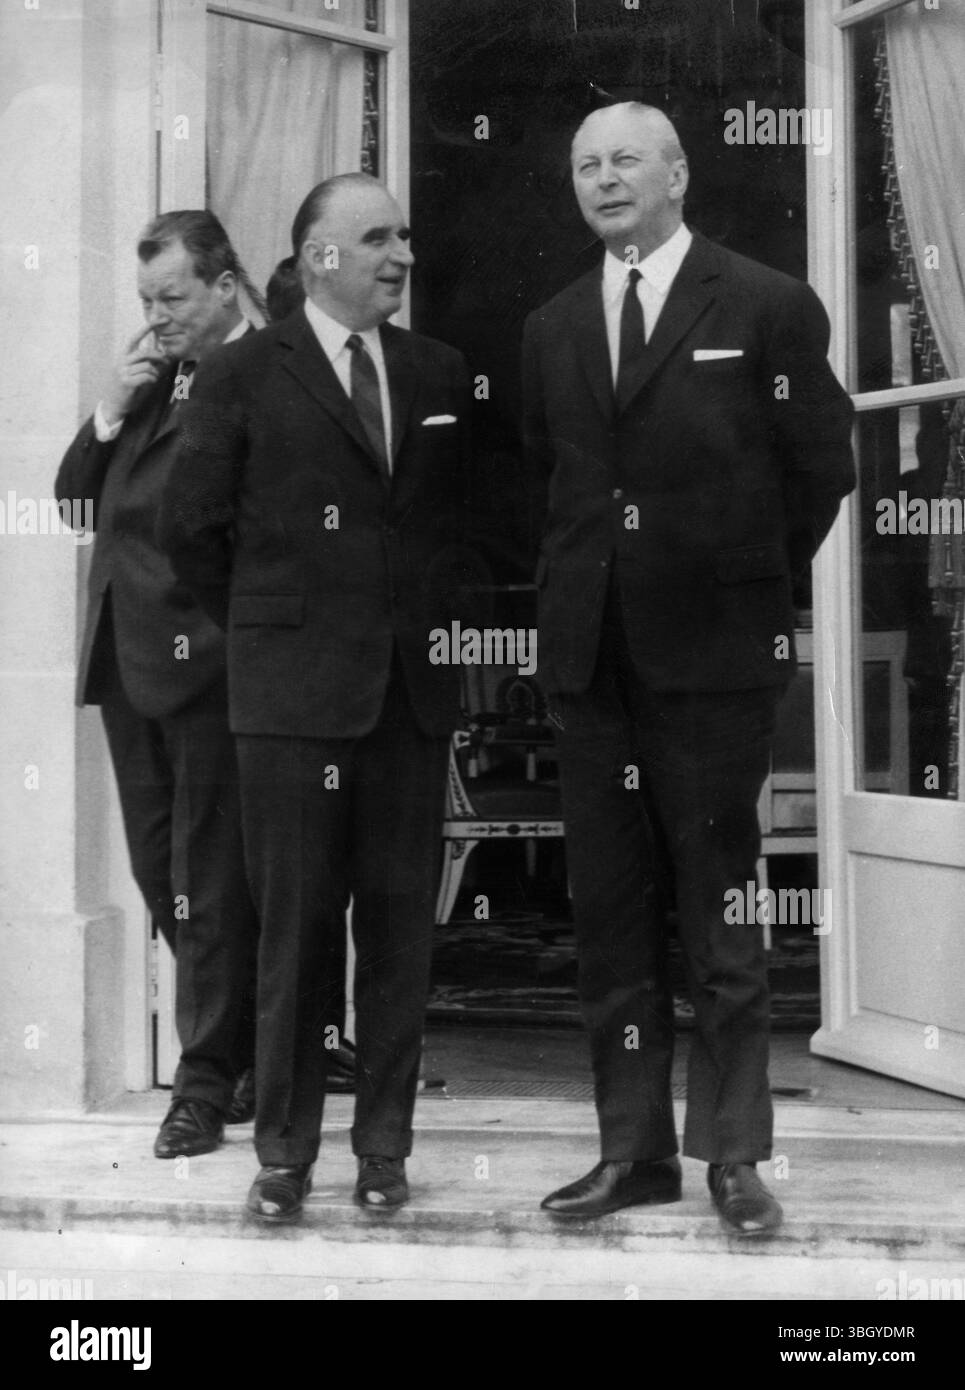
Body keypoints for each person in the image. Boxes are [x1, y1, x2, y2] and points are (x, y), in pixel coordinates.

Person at [522, 103, 855, 1236]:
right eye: (583, 165)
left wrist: (731, 582)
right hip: (591, 668)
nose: (603, 179)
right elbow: (547, 482)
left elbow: (819, 466)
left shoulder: (760, 302)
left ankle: (732, 1156)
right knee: (610, 918)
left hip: (710, 664)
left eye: (624, 159)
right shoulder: (554, 324)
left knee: (718, 912)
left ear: (677, 173)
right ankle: (631, 1152)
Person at [159, 172, 473, 1220]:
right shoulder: (243, 374)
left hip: (408, 704)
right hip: (290, 707)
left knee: (398, 938)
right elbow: (192, 535)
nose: (401, 256)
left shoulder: (436, 372)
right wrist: (278, 632)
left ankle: (382, 1148)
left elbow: (453, 531)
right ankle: (283, 1155)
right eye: (378, 238)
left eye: (405, 237)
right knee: (293, 933)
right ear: (321, 254)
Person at [54, 210, 263, 1156]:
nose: (157, 316)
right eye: (146, 300)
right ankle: (258, 1037)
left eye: (172, 298)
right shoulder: (152, 378)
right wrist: (107, 409)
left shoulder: (265, 374)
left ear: (226, 286)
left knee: (207, 880)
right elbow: (72, 500)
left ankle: (206, 1083)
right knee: (158, 872)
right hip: (127, 661)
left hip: (211, 664)